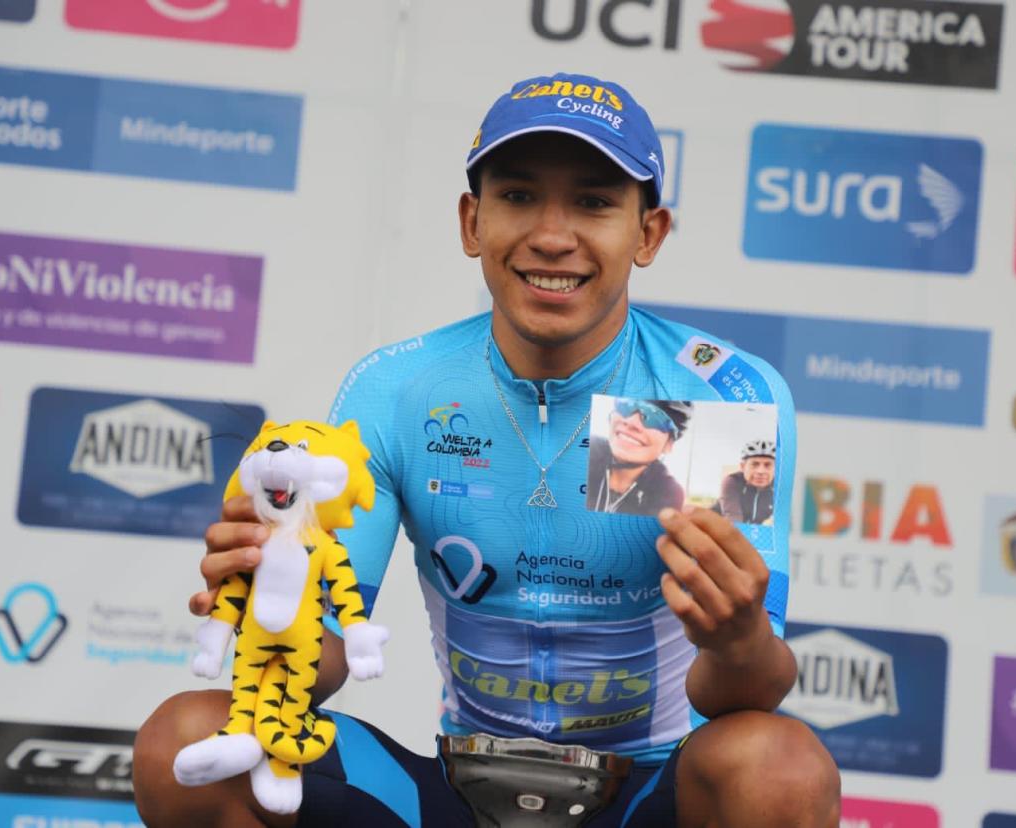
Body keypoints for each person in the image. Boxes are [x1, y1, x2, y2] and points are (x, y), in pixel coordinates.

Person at [133, 72, 839, 827]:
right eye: (519, 195)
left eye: (595, 202)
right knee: (183, 744)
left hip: (648, 794)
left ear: (649, 233)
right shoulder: (398, 390)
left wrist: (736, 641)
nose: (552, 235)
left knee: (779, 770)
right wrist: (273, 615)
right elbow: (320, 664)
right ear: (472, 221)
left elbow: (745, 696)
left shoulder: (709, 396)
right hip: (458, 794)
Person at [587, 398, 689, 515]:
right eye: (625, 405)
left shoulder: (668, 492)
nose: (631, 422)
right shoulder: (588, 449)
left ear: (669, 444)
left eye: (655, 417)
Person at [713, 439, 776, 525]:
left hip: (749, 532)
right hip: (717, 527)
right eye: (754, 464)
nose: (761, 471)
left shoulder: (778, 488)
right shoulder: (732, 481)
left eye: (768, 465)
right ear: (743, 467)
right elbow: (734, 521)